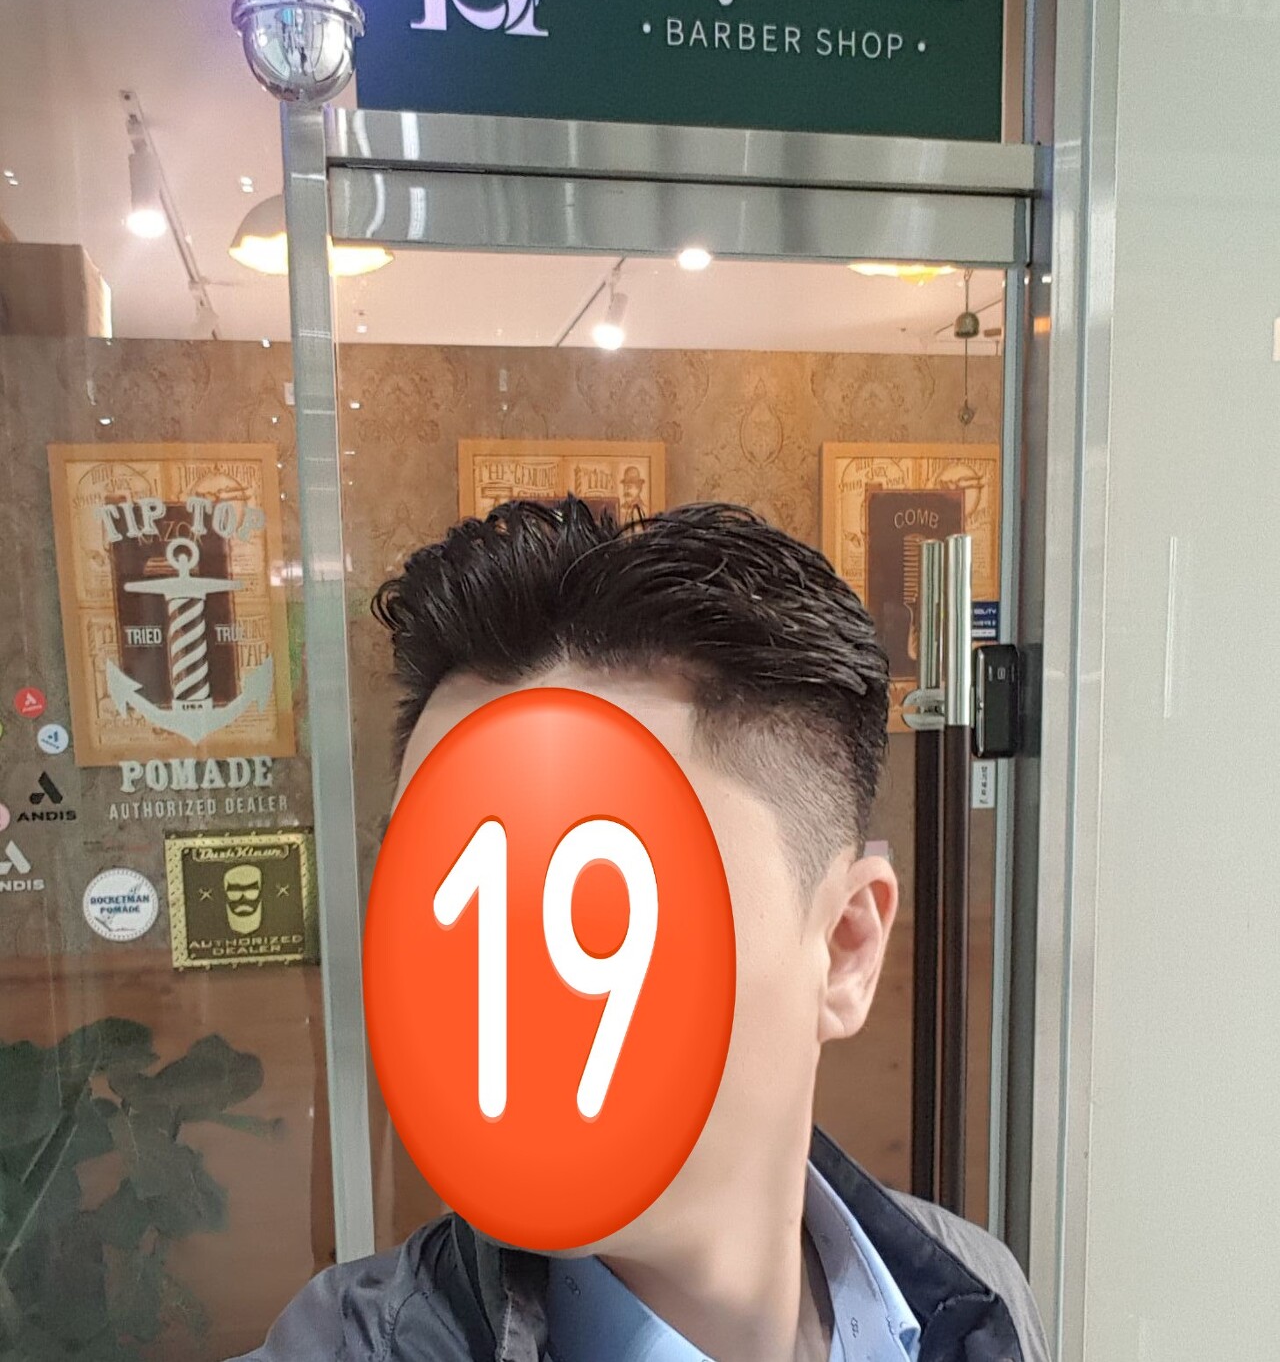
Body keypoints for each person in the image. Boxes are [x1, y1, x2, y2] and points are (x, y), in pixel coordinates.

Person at [234, 499, 1048, 1362]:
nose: (497, 986)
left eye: (603, 906)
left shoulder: (970, 1291)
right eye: (453, 899)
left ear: (847, 948)